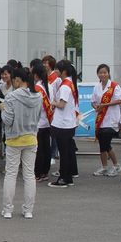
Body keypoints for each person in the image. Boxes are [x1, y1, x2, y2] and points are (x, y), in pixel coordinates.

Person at [0, 68, 42, 219]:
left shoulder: (11, 97)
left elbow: (8, 120)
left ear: (17, 80)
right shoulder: (38, 96)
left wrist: (2, 109)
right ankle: (28, 210)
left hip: (14, 139)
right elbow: (38, 117)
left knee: (11, 174)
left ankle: (7, 210)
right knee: (29, 175)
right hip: (31, 138)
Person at [48, 60, 79, 188]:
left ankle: (63, 178)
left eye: (57, 69)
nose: (55, 71)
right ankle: (68, 177)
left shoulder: (65, 86)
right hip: (68, 123)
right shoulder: (69, 83)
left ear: (64, 71)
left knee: (64, 153)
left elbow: (62, 104)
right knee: (66, 152)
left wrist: (52, 102)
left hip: (63, 124)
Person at [91, 64, 121, 177]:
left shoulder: (114, 86)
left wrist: (104, 105)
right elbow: (93, 101)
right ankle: (105, 166)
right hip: (101, 119)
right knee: (103, 143)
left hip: (111, 119)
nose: (103, 74)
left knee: (105, 142)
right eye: (100, 72)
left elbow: (120, 100)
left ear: (108, 73)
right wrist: (95, 106)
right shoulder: (97, 87)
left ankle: (116, 165)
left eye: (105, 72)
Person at [32, 64, 54, 181]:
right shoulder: (49, 86)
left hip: (38, 122)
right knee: (46, 148)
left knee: (39, 149)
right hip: (48, 121)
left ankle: (38, 173)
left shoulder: (36, 88)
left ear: (35, 75)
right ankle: (45, 172)